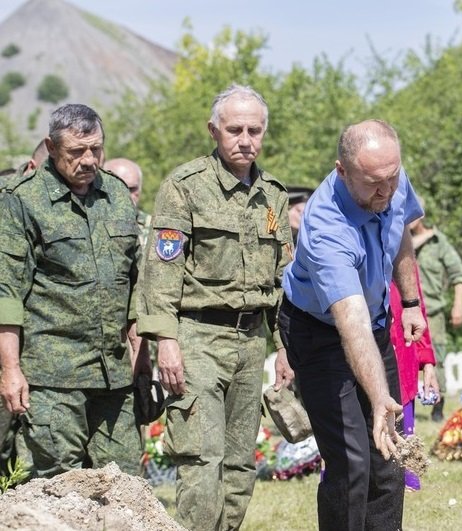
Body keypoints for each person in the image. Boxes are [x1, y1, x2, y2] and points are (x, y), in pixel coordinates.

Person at [136, 83, 292, 531]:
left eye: (255, 130)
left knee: (241, 466)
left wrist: (284, 346)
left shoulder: (274, 196)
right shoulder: (184, 188)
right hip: (196, 338)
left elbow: (284, 278)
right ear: (213, 131)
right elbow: (161, 273)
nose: (246, 140)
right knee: (203, 462)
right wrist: (166, 341)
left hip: (251, 341)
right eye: (235, 129)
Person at [278, 119, 426, 531]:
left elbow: (400, 235)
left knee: (388, 460)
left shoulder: (388, 177)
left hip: (375, 325)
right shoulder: (326, 229)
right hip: (320, 332)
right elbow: (352, 324)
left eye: (392, 178)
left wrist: (411, 301)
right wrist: (379, 398)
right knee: (352, 463)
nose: (386, 190)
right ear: (342, 171)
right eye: (373, 183)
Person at [0, 103, 148, 478]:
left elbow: (134, 280)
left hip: (113, 374)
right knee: (59, 484)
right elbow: (6, 294)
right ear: (51, 147)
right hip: (53, 377)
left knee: (126, 480)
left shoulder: (116, 196)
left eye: (96, 149)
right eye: (76, 152)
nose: (88, 160)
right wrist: (10, 370)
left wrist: (140, 351)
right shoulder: (22, 201)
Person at [409, 200, 462, 421]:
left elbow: (458, 274)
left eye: (414, 214)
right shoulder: (395, 239)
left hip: (432, 312)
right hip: (405, 313)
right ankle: (407, 407)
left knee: (437, 358)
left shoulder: (438, 242)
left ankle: (437, 406)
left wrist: (458, 305)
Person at [389, 267, 438, 491]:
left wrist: (427, 361)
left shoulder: (402, 258)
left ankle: (406, 477)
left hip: (403, 351)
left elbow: (419, 310)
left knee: (402, 420)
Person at [103, 158, 151, 246]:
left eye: (132, 189)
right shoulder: (87, 227)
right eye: (118, 188)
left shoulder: (154, 229)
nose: (127, 196)